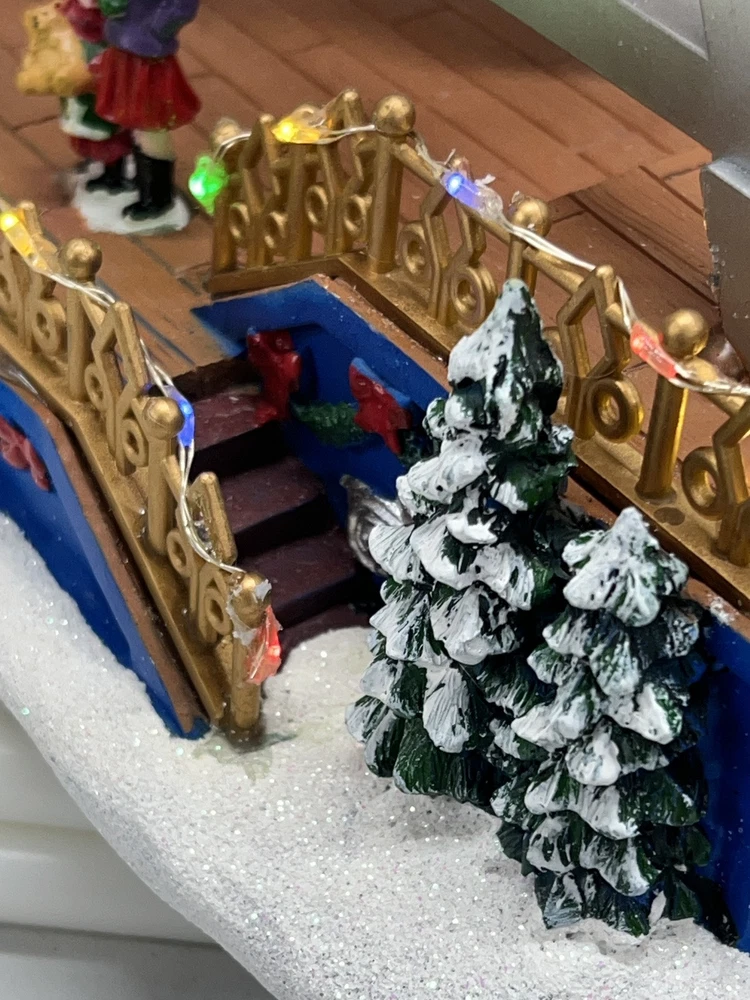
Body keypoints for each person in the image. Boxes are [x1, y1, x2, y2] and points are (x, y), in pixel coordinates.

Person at [94, 0, 201, 221]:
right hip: (125, 40)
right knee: (128, 117)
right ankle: (131, 177)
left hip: (148, 52)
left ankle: (156, 196)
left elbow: (182, 6)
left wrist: (156, 29)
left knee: (149, 126)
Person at [59, 0, 133, 194]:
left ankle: (114, 175)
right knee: (87, 120)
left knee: (107, 125)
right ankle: (98, 163)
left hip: (101, 66)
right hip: (80, 64)